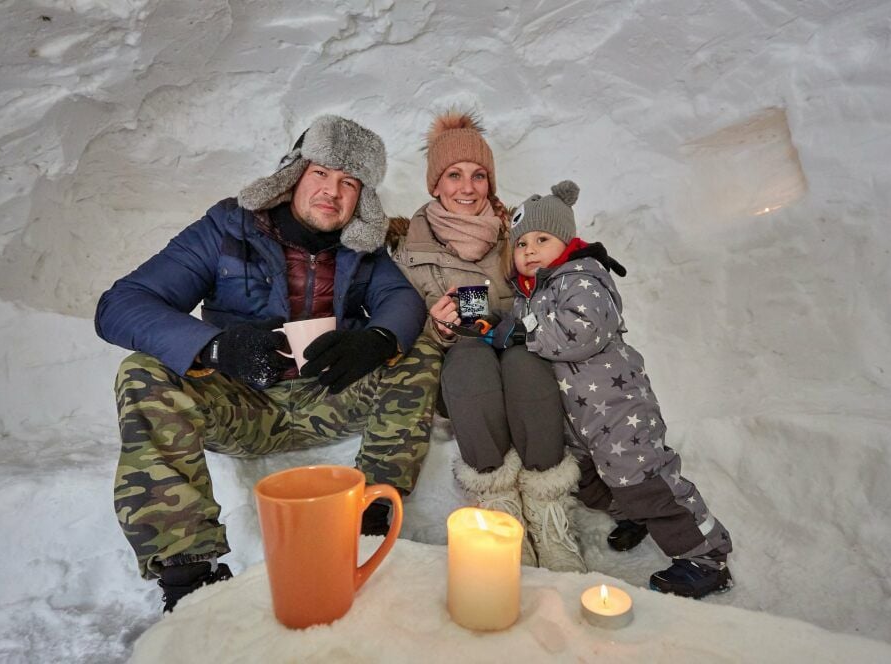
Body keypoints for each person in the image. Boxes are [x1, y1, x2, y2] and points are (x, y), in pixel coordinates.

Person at [95, 115, 441, 612]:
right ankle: (190, 573)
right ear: (294, 174)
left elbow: (401, 301)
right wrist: (216, 347)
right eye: (321, 173)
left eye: (349, 183)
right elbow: (122, 304)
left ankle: (370, 521)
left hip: (327, 396)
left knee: (415, 347)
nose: (332, 192)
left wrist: (376, 339)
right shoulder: (227, 227)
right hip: (242, 405)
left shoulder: (361, 247)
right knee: (142, 372)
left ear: (360, 198)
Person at [487, 179, 733, 598]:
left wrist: (520, 330)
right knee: (588, 480)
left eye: (541, 239)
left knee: (645, 481)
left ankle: (705, 556)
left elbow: (581, 332)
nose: (529, 250)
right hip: (578, 419)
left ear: (566, 240)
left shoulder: (581, 277)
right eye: (522, 243)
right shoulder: (532, 293)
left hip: (617, 409)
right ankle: (633, 516)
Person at [388, 111, 586, 572]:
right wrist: (432, 327)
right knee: (470, 365)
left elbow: (556, 291)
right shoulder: (406, 248)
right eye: (454, 175)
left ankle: (548, 510)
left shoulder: (519, 235)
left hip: (521, 345)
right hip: (457, 358)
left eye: (479, 176)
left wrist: (508, 312)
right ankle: (499, 507)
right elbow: (396, 320)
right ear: (435, 184)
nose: (467, 187)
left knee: (525, 365)